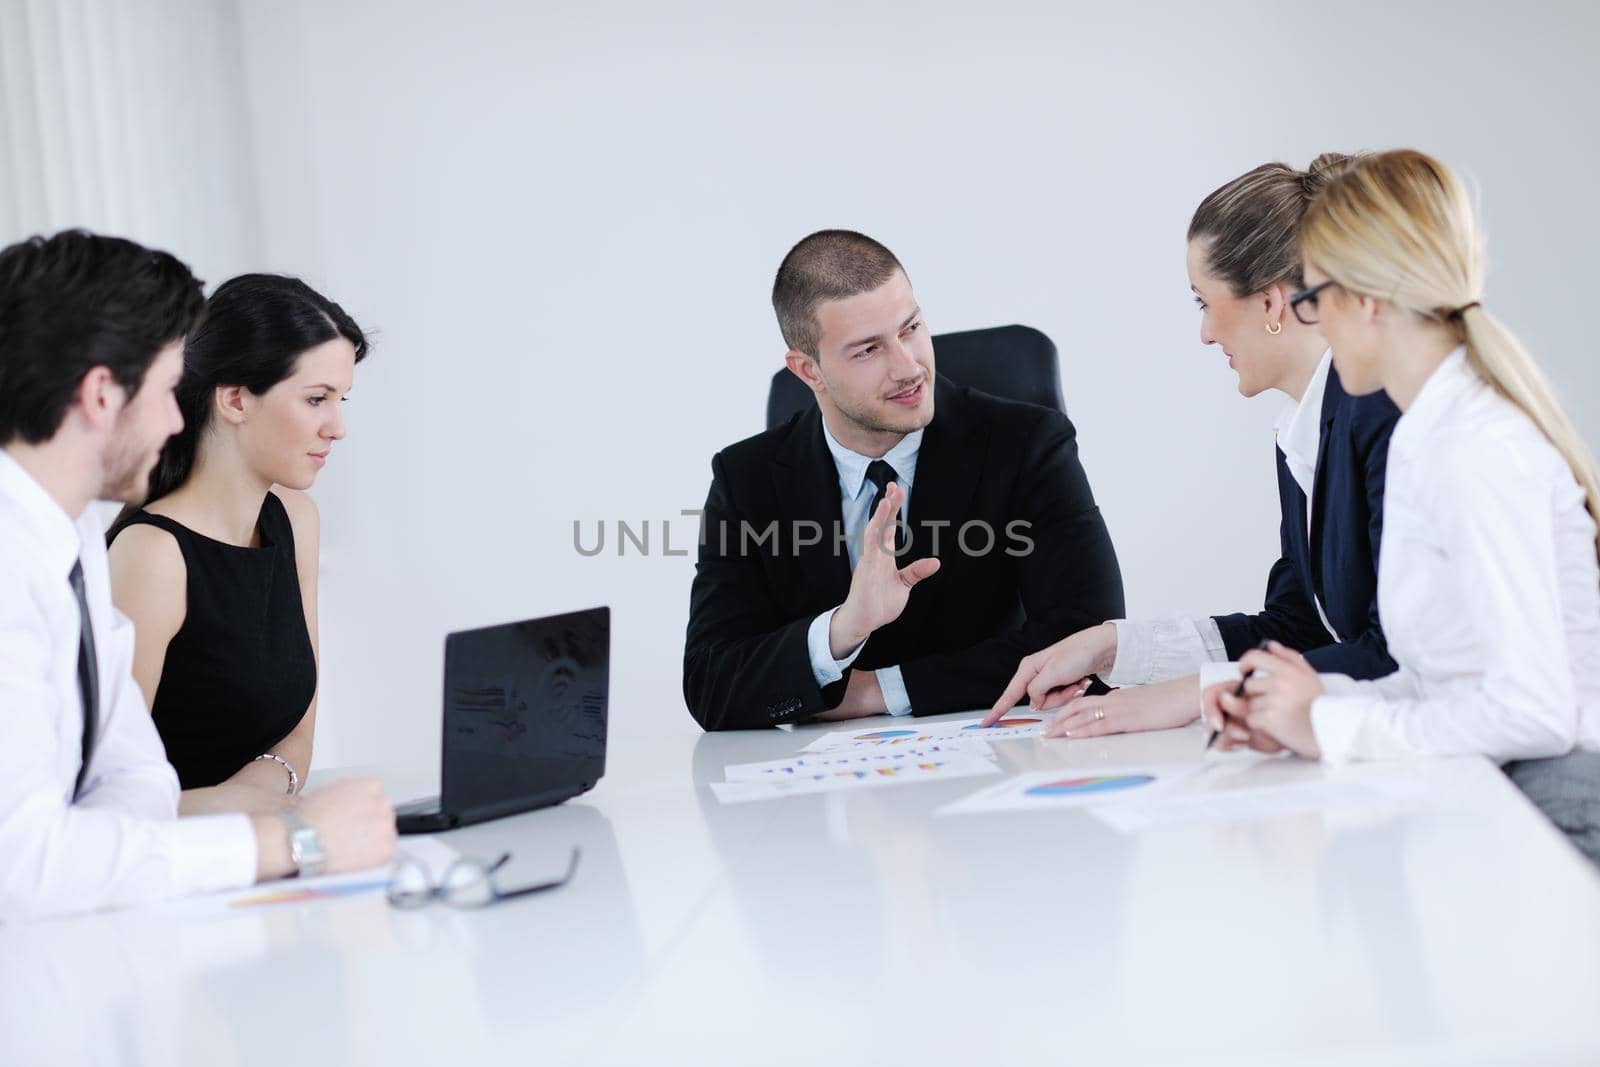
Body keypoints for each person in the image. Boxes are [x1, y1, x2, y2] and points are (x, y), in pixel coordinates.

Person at [1208, 149, 1600, 867]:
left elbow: (1534, 711)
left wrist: (1329, 724)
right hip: (1499, 779)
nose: (1311, 321)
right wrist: (1301, 705)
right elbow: (1439, 678)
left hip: (1559, 798)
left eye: (1314, 299)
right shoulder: (1427, 432)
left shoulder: (1475, 449)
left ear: (1367, 301)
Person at [0, 231, 394, 922]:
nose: (182, 416)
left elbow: (131, 781)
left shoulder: (73, 539)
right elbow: (28, 862)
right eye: (166, 390)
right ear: (100, 394)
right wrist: (293, 838)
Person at [986, 155, 1399, 735]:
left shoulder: (1380, 414)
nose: (1205, 332)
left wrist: (1192, 697)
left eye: (1204, 302)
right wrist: (1113, 648)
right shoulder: (1304, 428)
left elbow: (1396, 653)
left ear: (1271, 303)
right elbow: (1299, 627)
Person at [683, 229, 1124, 731]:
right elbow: (710, 683)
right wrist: (842, 631)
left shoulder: (1027, 443)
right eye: (868, 350)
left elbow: (1092, 640)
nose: (909, 366)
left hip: (998, 755)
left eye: (910, 327)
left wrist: (877, 690)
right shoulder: (745, 479)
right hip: (822, 792)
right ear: (810, 372)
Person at [107, 275, 367, 815]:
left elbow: (296, 734)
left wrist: (260, 798)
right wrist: (248, 809)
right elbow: (106, 804)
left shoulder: (297, 520)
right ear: (234, 399)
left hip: (262, 849)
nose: (337, 427)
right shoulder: (152, 557)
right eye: (317, 399)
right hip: (165, 872)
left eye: (341, 400)